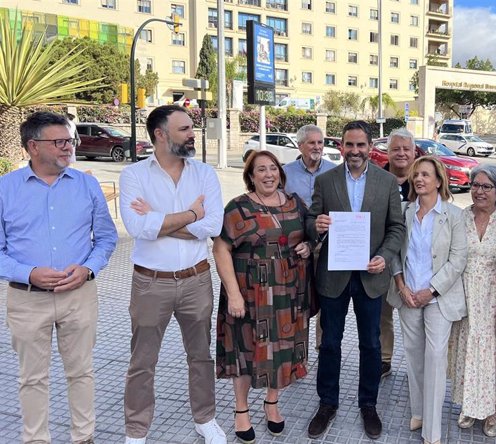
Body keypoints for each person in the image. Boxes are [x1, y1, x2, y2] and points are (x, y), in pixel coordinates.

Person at [0, 111, 117, 443]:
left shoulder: (86, 184)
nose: (69, 147)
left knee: (81, 372)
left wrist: (88, 268)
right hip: (26, 299)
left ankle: (84, 437)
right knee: (32, 378)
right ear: (33, 147)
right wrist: (29, 273)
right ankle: (36, 439)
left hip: (79, 296)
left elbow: (106, 238)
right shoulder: (5, 189)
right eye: (60, 141)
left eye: (70, 140)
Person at [119, 105, 225, 444]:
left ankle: (205, 419)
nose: (192, 133)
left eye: (190, 128)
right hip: (151, 282)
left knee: (201, 356)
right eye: (184, 129)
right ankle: (136, 432)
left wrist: (161, 220)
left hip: (197, 279)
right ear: (160, 135)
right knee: (142, 360)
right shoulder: (134, 175)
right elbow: (137, 226)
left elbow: (213, 225)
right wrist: (191, 214)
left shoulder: (204, 173)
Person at [306, 120, 405, 440]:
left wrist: (385, 257)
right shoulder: (326, 180)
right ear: (341, 146)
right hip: (334, 275)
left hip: (371, 276)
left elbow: (396, 228)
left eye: (361, 145)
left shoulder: (387, 182)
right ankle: (326, 403)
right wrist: (316, 225)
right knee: (330, 343)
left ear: (370, 147)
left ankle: (368, 405)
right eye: (349, 145)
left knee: (371, 344)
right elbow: (311, 220)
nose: (355, 151)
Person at [214, 150, 313, 444]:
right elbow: (221, 249)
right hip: (249, 293)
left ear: (280, 173)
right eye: (261, 170)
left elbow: (306, 236)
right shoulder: (238, 208)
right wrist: (233, 294)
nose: (268, 174)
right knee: (244, 352)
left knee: (282, 350)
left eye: (273, 169)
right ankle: (241, 410)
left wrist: (307, 246)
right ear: (251, 176)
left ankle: (272, 404)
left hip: (288, 293)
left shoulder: (296, 204)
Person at [388, 157, 467, 444]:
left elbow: (458, 260)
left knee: (435, 357)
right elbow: (394, 251)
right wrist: (400, 283)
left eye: (425, 175)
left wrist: (431, 291)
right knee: (413, 353)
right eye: (415, 175)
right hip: (407, 293)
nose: (419, 179)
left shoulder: (454, 216)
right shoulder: (403, 211)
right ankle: (418, 411)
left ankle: (432, 431)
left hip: (438, 298)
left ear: (438, 180)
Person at [448, 164, 496, 438]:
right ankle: (468, 405)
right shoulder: (460, 217)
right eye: (475, 185)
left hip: (494, 294)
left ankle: (492, 409)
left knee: (492, 351)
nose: (479, 191)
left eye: (486, 186)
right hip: (464, 292)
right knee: (466, 348)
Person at [283, 124, 336, 351]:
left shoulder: (335, 171)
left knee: (325, 298)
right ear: (300, 145)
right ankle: (297, 349)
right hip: (297, 246)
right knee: (298, 298)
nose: (317, 147)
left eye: (320, 142)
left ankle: (322, 347)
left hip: (327, 245)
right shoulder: (285, 173)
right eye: (312, 143)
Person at [380, 127, 416, 378]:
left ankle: (418, 368)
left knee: (415, 319)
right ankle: (383, 360)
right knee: (382, 316)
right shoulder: (376, 179)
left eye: (406, 149)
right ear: (388, 152)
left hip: (415, 264)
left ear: (414, 152)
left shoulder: (425, 179)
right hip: (383, 261)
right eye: (396, 149)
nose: (401, 153)